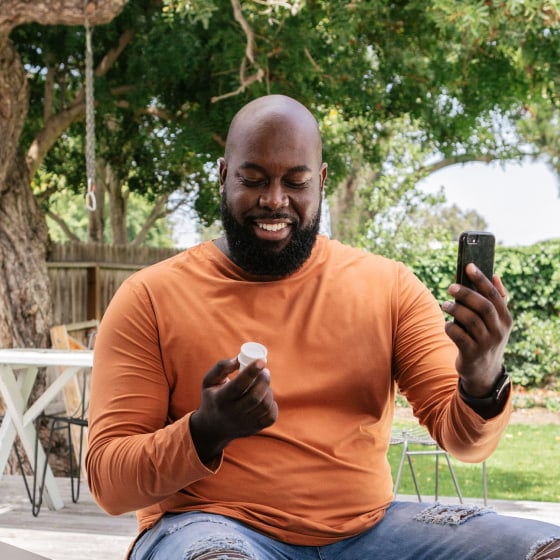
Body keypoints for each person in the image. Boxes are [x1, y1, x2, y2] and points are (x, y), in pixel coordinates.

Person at [86, 94, 560, 560]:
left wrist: (481, 376)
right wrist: (205, 431)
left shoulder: (388, 286)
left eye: (295, 181)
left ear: (322, 181)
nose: (274, 200)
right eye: (253, 179)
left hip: (369, 531)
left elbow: (464, 441)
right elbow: (109, 483)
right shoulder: (150, 297)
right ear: (223, 175)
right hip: (210, 526)